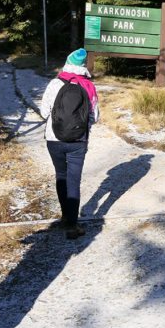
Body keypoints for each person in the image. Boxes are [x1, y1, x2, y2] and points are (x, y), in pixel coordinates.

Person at [38, 48, 101, 239]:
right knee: (74, 181)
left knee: (61, 175)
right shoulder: (89, 86)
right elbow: (95, 117)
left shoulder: (55, 83)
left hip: (54, 140)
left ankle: (66, 216)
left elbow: (43, 112)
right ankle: (73, 226)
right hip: (78, 141)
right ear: (83, 67)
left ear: (67, 63)